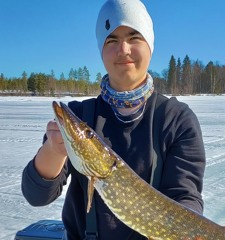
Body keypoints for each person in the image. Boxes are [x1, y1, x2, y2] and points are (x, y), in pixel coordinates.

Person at [21, 0, 206, 239]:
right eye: (111, 40)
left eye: (134, 37)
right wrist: (53, 150)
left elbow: (185, 196)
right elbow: (36, 196)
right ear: (101, 49)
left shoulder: (177, 119)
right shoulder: (81, 115)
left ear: (150, 45)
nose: (123, 49)